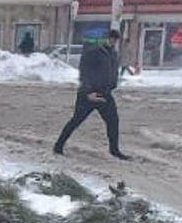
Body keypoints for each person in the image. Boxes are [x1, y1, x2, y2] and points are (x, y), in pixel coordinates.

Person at [53, 29, 130, 160]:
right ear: (105, 38)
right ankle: (58, 146)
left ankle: (114, 149)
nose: (113, 42)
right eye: (111, 39)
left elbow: (113, 71)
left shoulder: (113, 54)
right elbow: (84, 73)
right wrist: (88, 92)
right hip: (88, 94)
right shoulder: (93, 52)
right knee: (76, 120)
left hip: (105, 93)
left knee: (113, 121)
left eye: (115, 40)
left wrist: (112, 84)